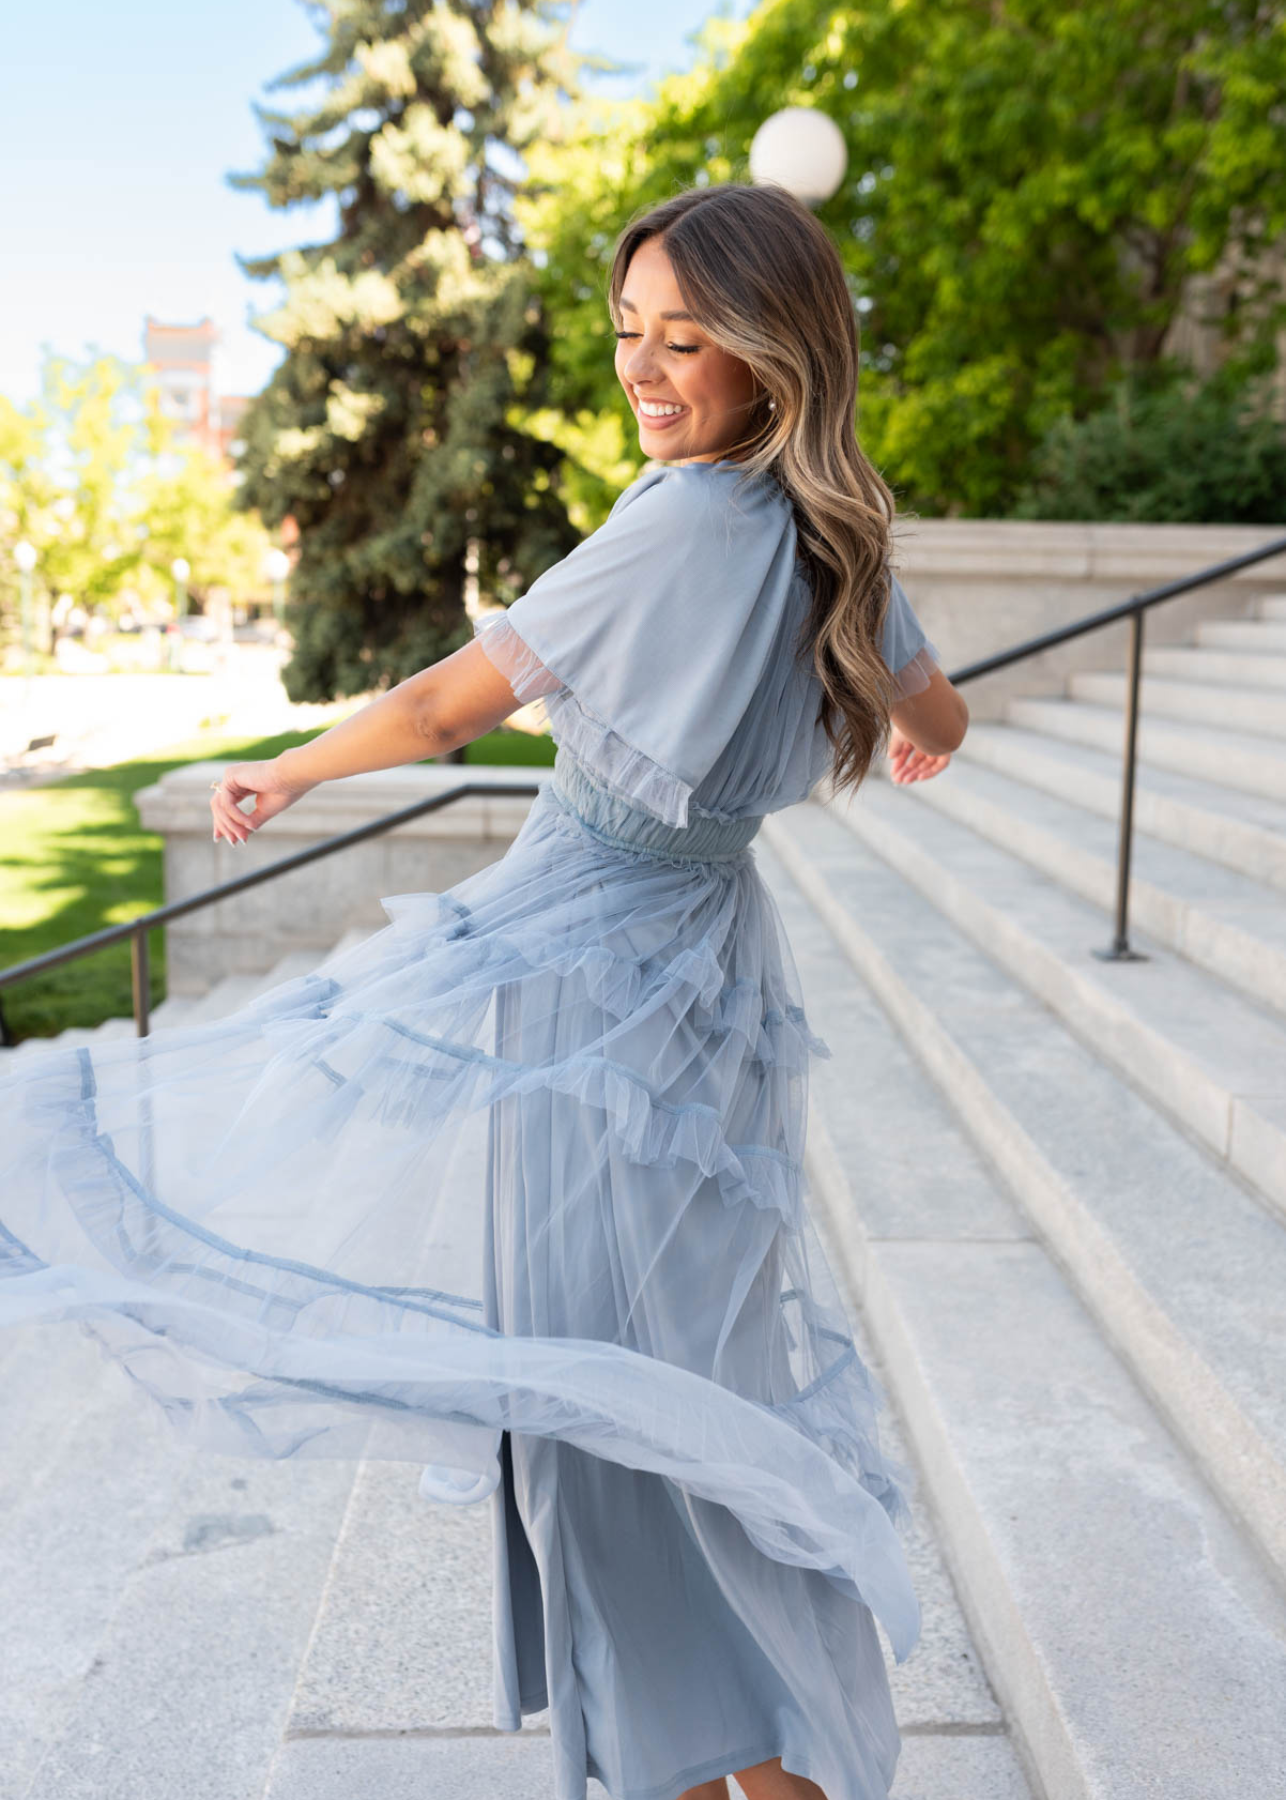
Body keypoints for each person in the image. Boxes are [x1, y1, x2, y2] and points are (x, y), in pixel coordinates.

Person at [1, 182, 967, 1800]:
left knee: (608, 1412)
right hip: (711, 983)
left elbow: (453, 706)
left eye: (688, 341)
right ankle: (755, 1753)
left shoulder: (673, 521)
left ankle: (737, 1763)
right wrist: (908, 731)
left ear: (774, 359)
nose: (647, 372)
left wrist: (288, 767)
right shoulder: (831, 534)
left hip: (585, 982)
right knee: (682, 1384)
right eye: (627, 336)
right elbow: (933, 707)